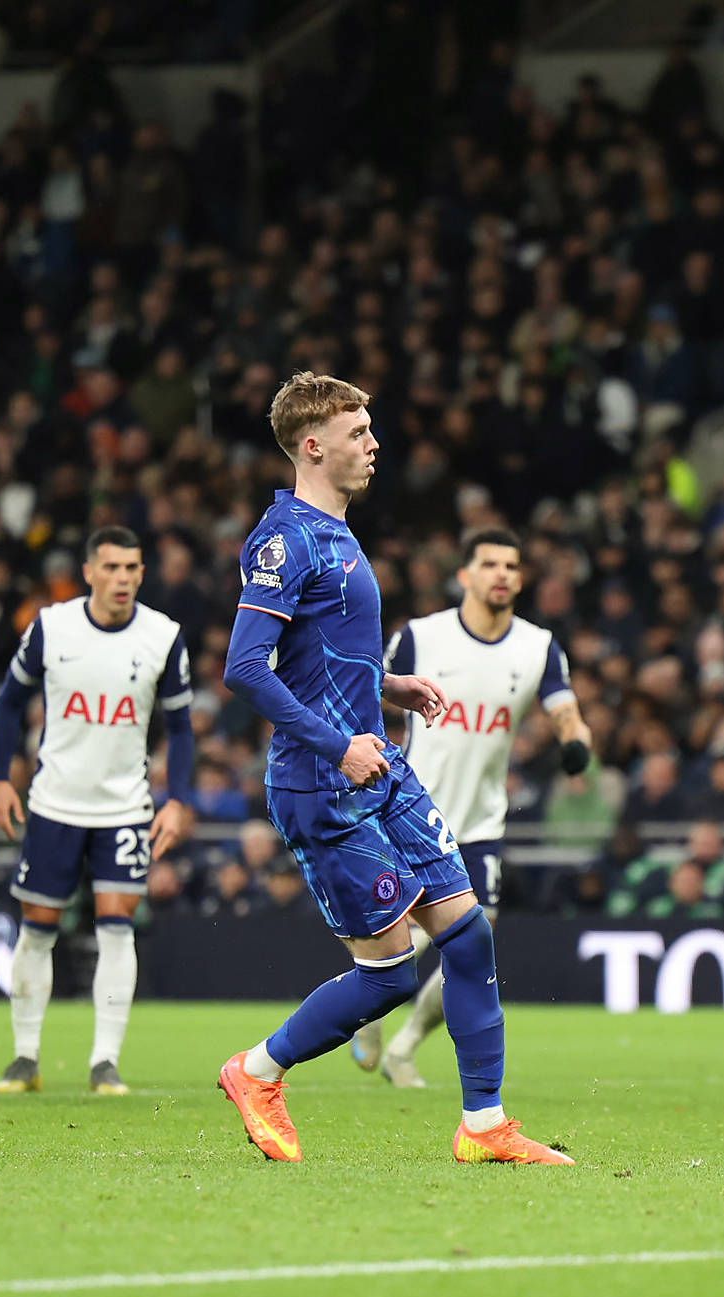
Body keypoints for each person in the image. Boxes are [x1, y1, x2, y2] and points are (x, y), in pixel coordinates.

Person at [215, 372, 571, 1165]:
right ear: (314, 445)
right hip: (324, 781)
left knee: (470, 936)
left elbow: (318, 658)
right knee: (389, 976)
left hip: (381, 769)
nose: (373, 444)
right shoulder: (287, 540)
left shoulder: (336, 531)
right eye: (358, 433)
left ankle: (485, 1126)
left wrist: (386, 684)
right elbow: (245, 667)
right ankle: (257, 1070)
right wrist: (337, 743)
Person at [349, 528, 590, 1088]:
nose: (502, 573)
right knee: (402, 941)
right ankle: (367, 1005)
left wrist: (577, 743)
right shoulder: (421, 637)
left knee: (472, 937)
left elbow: (566, 710)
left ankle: (405, 1047)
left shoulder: (537, 646)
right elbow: (366, 689)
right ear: (465, 575)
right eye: (490, 564)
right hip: (410, 810)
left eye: (512, 565)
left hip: (481, 821)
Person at [0, 526, 195, 1096]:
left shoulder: (162, 636)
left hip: (124, 807)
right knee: (37, 929)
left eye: (132, 568)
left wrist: (178, 799)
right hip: (54, 803)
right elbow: (8, 705)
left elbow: (180, 725)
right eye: (111, 568)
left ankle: (105, 1061)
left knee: (116, 927)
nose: (122, 578)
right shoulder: (52, 627)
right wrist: (0, 779)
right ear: (89, 572)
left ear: (142, 573)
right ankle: (25, 1057)